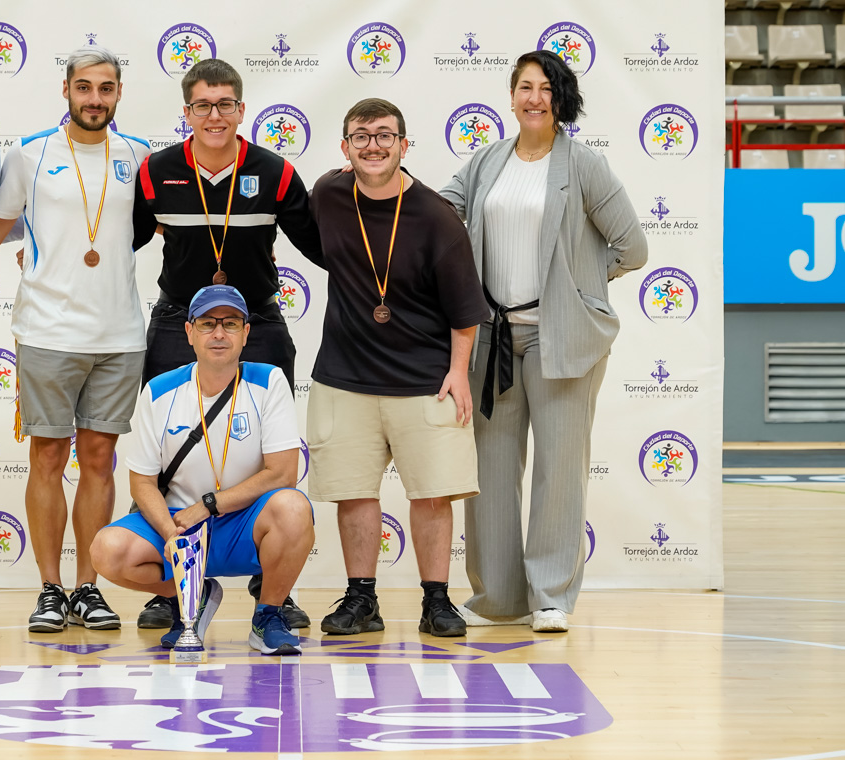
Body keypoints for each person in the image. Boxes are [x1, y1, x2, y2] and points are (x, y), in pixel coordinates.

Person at [440, 50, 648, 633]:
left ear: (561, 100)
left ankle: (551, 596)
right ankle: (497, 598)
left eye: (546, 89)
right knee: (491, 470)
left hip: (564, 341)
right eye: (525, 87)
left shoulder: (583, 165)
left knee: (559, 470)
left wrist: (579, 287)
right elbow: (438, 216)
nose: (534, 98)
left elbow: (632, 249)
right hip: (493, 341)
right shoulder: (484, 162)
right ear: (510, 97)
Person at [131, 58, 319, 629]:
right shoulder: (155, 171)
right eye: (203, 105)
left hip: (255, 322)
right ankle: (175, 586)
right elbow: (116, 242)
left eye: (226, 104)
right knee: (170, 452)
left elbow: (324, 248)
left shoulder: (276, 171)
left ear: (242, 109)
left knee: (271, 450)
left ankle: (273, 584)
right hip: (175, 323)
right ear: (186, 112)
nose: (215, 115)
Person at [0, 45, 151, 633]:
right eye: (85, 88)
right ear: (67, 90)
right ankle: (50, 589)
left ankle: (88, 588)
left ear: (118, 94)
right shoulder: (28, 154)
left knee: (100, 460)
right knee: (48, 457)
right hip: (47, 332)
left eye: (106, 89)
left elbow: (154, 230)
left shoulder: (139, 156)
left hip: (120, 335)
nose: (95, 99)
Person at [307, 98, 490, 638]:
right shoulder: (329, 195)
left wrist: (458, 372)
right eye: (361, 136)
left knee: (432, 494)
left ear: (404, 146)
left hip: (424, 378)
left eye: (385, 136)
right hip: (345, 376)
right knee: (355, 494)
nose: (373, 146)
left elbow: (465, 311)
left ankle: (437, 601)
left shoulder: (437, 216)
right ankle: (361, 599)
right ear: (345, 148)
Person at [91, 285, 315, 655]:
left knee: (292, 508)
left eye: (230, 323)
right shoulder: (160, 390)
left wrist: (209, 505)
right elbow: (142, 482)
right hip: (178, 521)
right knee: (106, 550)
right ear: (189, 332)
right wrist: (169, 531)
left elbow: (282, 474)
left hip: (243, 520)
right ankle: (193, 595)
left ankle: (267, 615)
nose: (219, 333)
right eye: (208, 323)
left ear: (246, 333)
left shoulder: (269, 381)